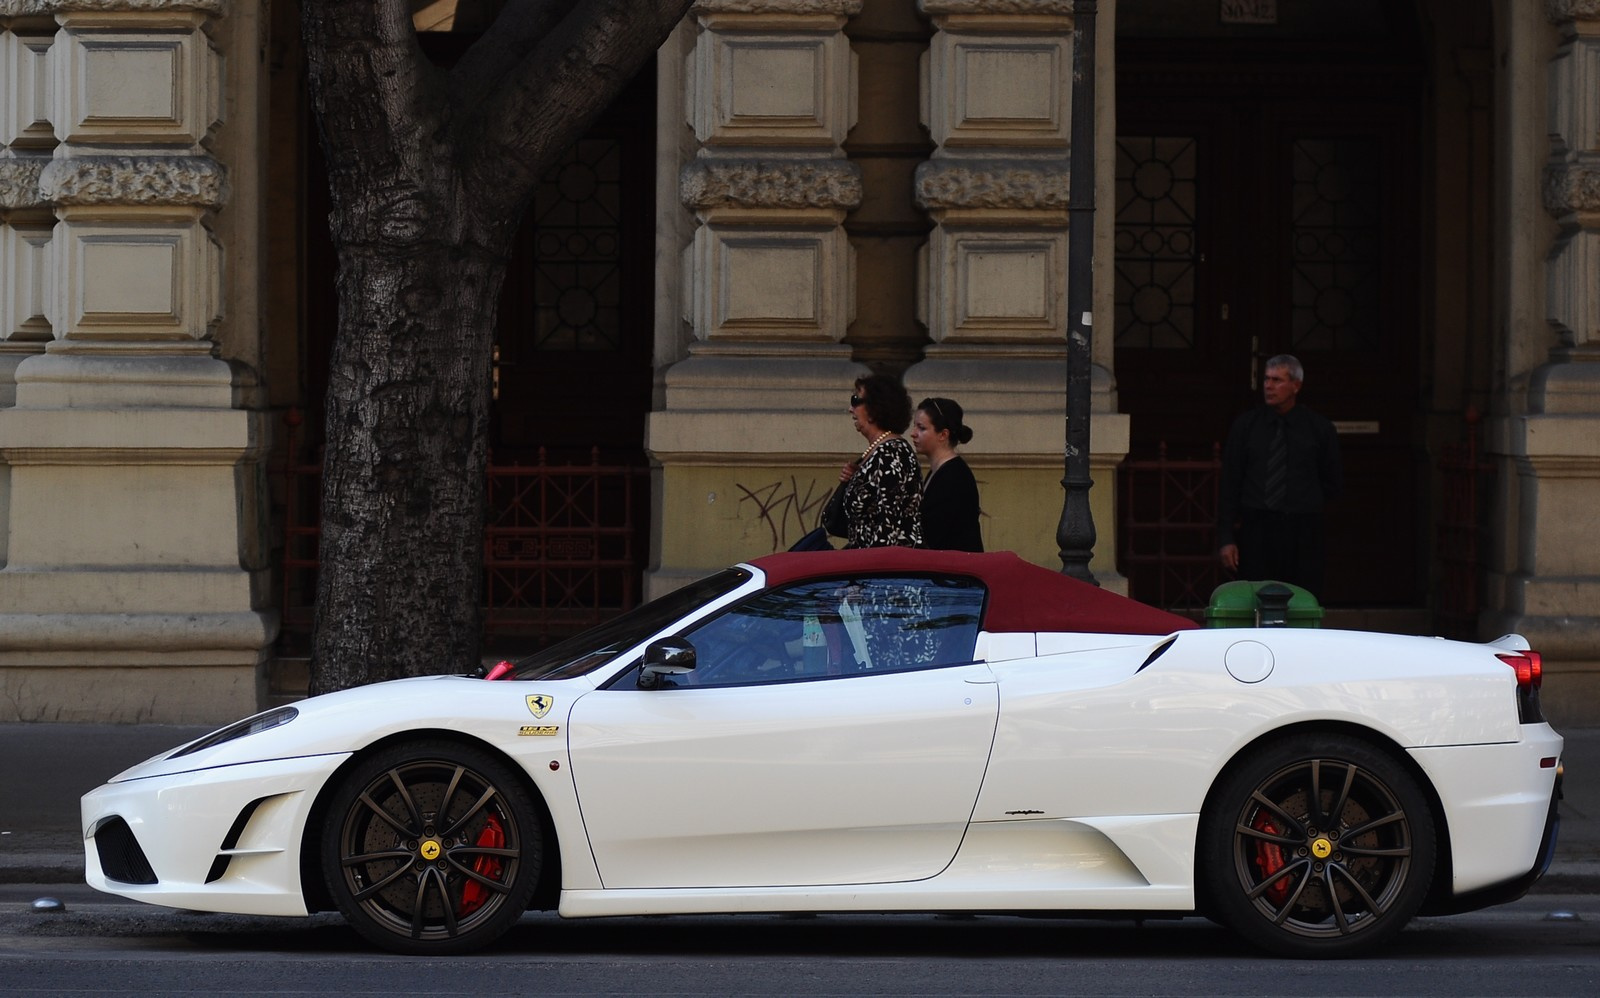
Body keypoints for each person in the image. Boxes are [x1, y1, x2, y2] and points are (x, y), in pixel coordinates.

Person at [1216, 354, 1343, 596]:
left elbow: (1332, 483)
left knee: (1302, 599)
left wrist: (1307, 505)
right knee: (1256, 598)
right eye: (1266, 379)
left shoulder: (1319, 429)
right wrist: (1226, 538)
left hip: (1302, 532)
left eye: (1277, 380)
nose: (1268, 386)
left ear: (1296, 385)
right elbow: (1230, 484)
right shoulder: (1247, 426)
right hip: (1257, 531)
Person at [835, 374, 921, 548]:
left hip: (882, 569)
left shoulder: (892, 453)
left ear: (875, 408)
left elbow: (889, 526)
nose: (850, 409)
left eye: (855, 400)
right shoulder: (878, 451)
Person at [909, 397, 983, 552]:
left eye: (921, 428)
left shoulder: (953, 477)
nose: (913, 434)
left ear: (943, 435)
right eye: (914, 426)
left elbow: (933, 534)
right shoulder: (941, 471)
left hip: (957, 570)